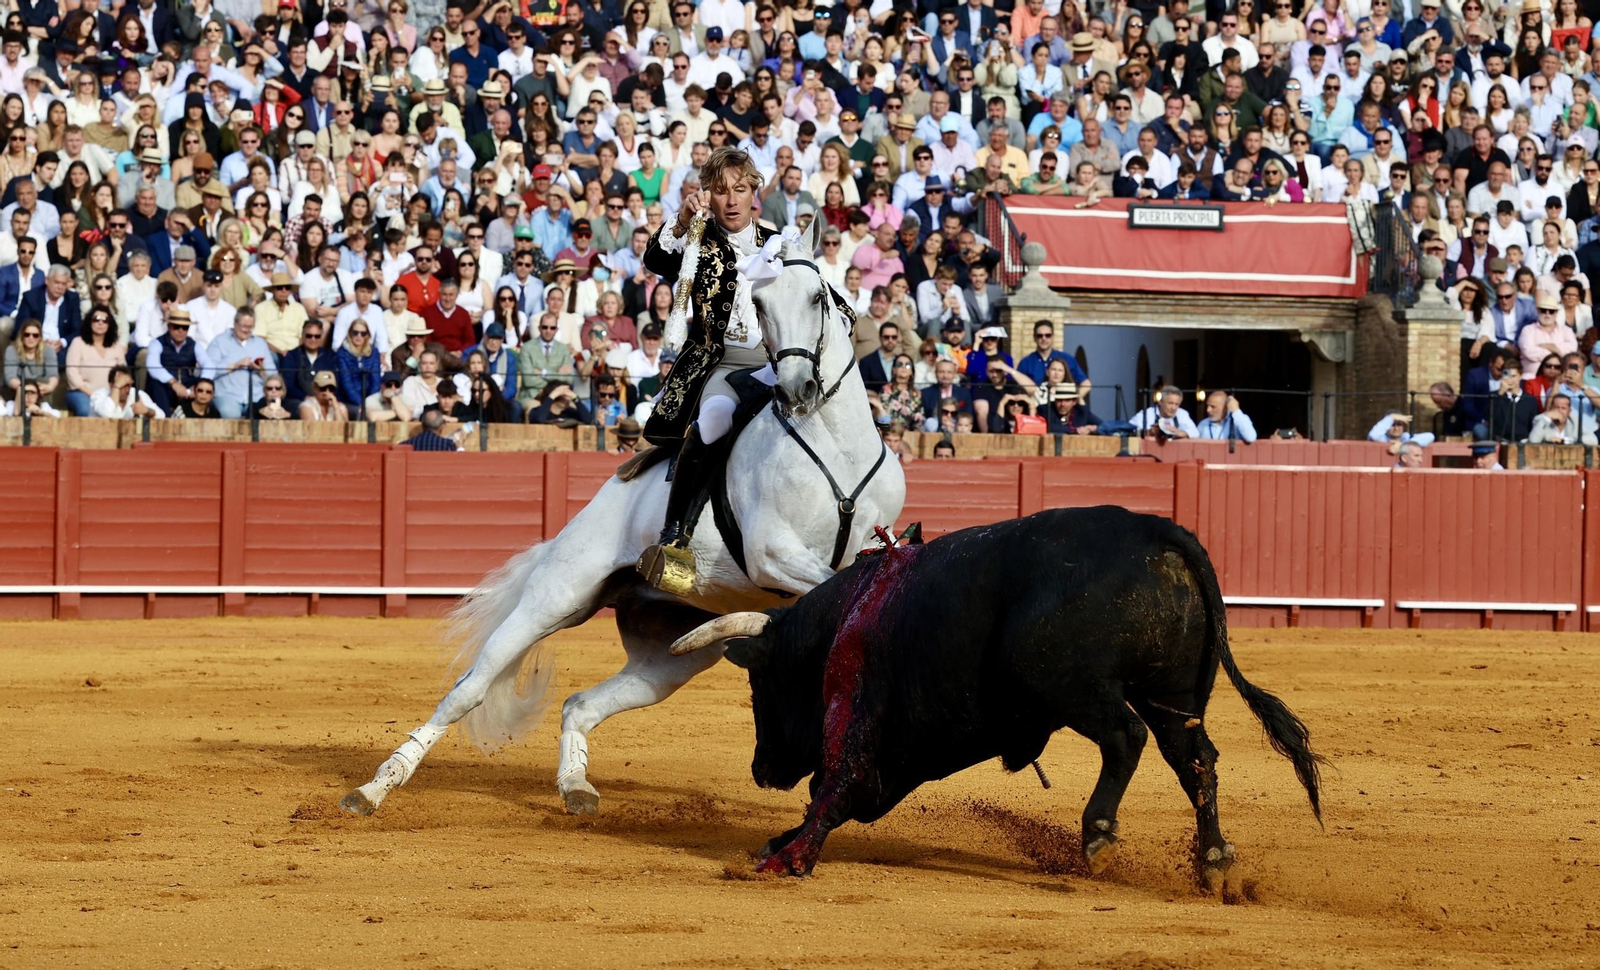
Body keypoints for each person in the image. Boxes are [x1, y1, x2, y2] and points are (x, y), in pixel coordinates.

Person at [634, 146, 790, 590]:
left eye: (741, 189)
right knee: (716, 419)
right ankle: (676, 537)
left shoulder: (778, 244)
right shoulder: (697, 239)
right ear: (708, 195)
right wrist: (682, 222)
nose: (733, 200)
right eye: (721, 191)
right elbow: (656, 261)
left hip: (776, 366)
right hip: (720, 363)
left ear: (755, 190)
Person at [1133, 385, 1200, 438]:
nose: (1173, 408)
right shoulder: (1146, 414)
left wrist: (1179, 432)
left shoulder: (1182, 414)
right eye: (1170, 403)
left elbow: (1195, 432)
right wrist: (1150, 432)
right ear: (1160, 401)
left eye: (1177, 404)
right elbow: (1129, 430)